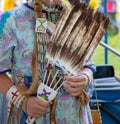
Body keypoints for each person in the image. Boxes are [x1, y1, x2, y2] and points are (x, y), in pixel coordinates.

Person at [0, 0, 96, 123]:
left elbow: (87, 64)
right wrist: (24, 103)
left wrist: (85, 77)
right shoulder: (12, 20)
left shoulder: (78, 18)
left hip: (73, 115)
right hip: (32, 116)